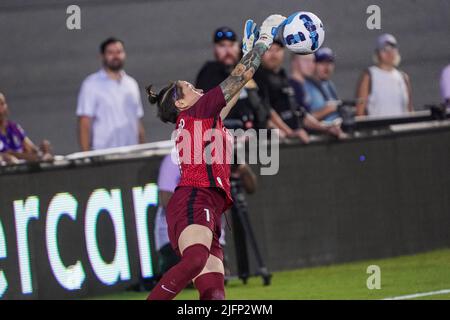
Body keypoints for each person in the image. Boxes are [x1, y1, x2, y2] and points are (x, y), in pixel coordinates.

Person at [145, 15, 286, 300]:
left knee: (214, 294)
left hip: (205, 203)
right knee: (195, 261)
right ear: (181, 103)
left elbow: (236, 89)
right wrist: (262, 43)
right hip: (195, 199)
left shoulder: (200, 116)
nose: (200, 90)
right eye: (192, 89)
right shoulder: (198, 111)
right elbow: (238, 79)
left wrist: (247, 55)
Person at [254, 39, 344, 143]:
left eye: (277, 50)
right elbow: (267, 111)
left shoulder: (282, 76)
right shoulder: (257, 78)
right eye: (269, 50)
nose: (274, 55)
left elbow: (299, 112)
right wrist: (289, 133)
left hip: (294, 137)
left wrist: (324, 128)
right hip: (276, 142)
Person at [76, 37, 145, 151]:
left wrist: (142, 150)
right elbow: (84, 122)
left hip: (132, 152)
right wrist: (86, 155)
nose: (115, 56)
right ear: (102, 56)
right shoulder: (91, 84)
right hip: (104, 154)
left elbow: (137, 121)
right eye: (110, 53)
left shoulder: (131, 84)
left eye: (119, 52)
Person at [196, 27, 270, 130]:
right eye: (222, 46)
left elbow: (266, 104)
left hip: (257, 134)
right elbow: (204, 110)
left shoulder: (252, 70)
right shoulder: (209, 73)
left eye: (231, 45)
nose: (227, 50)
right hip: (225, 135)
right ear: (215, 49)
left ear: (238, 46)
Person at [356, 33, 413, 117]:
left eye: (392, 48)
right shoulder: (369, 75)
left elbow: (410, 110)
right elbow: (359, 112)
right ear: (377, 53)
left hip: (401, 128)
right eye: (385, 49)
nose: (389, 53)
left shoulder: (403, 77)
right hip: (378, 129)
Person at [0, 92, 53, 164]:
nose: (2, 108)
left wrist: (42, 151)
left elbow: (31, 148)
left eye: (3, 103)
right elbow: (8, 154)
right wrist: (37, 157)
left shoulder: (14, 127)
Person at [300, 47, 340, 123]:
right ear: (313, 64)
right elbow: (303, 119)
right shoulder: (305, 86)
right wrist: (330, 109)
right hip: (317, 131)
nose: (327, 67)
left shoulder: (329, 84)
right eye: (322, 63)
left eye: (330, 62)